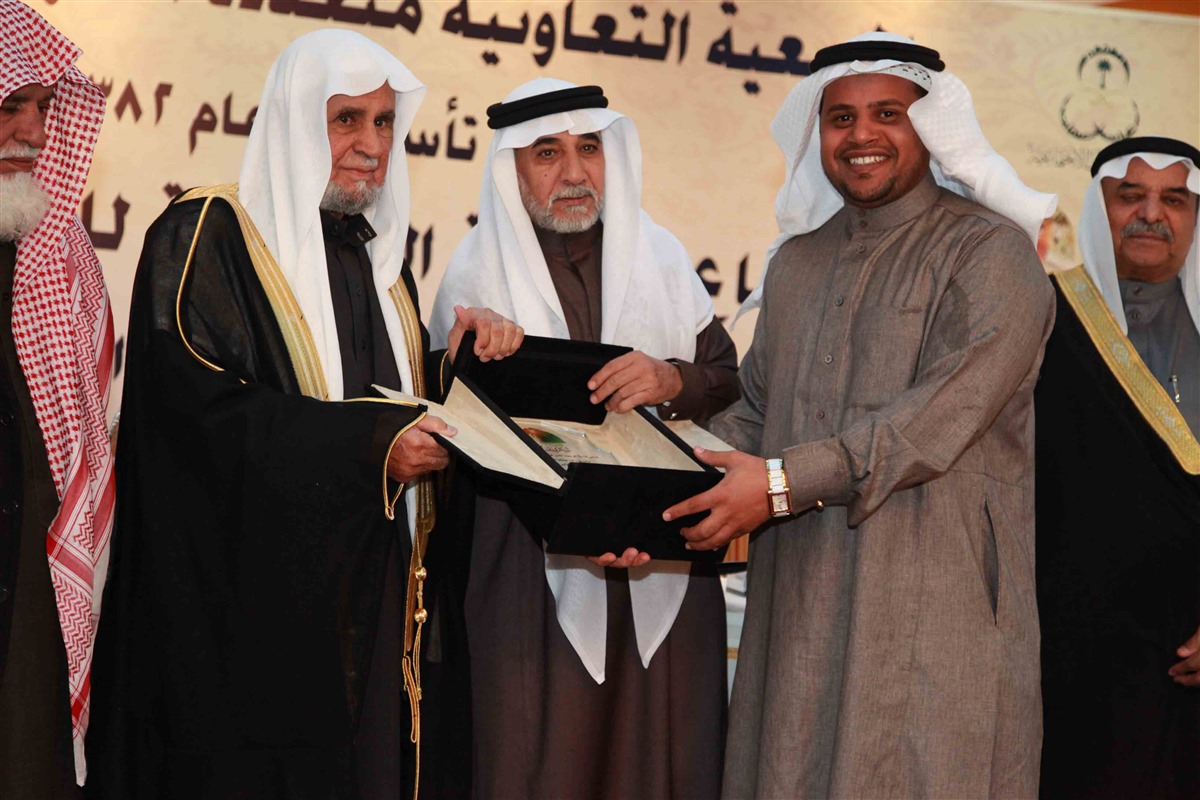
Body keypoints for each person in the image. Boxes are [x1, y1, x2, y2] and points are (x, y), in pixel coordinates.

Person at [84, 30, 520, 800]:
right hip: (243, 642)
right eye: (346, 119)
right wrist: (373, 448)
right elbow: (196, 423)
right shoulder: (205, 234)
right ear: (293, 120)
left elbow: (385, 401)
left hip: (370, 617)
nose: (371, 146)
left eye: (383, 123)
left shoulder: (379, 267)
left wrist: (460, 369)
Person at [664, 32, 1058, 798]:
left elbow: (931, 424)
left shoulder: (992, 255)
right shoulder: (797, 263)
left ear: (932, 125)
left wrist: (779, 485)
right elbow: (754, 414)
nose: (861, 135)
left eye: (888, 113)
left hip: (932, 605)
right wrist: (651, 499)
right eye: (840, 118)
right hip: (802, 601)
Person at [430, 78, 737, 799]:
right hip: (525, 559)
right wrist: (472, 353)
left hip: (661, 549)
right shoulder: (476, 271)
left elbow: (727, 380)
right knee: (539, 756)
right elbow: (448, 423)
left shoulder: (662, 258)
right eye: (547, 153)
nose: (574, 172)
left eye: (589, 149)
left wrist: (671, 379)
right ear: (511, 170)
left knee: (660, 761)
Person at [1036, 136, 1200, 800]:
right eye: (1129, 195)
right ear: (1097, 207)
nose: (1150, 214)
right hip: (1064, 654)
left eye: (1175, 200)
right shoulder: (1041, 317)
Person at [0, 2, 114, 796]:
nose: (34, 133)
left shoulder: (63, 255)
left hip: (34, 590)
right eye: (12, 106)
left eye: (44, 108)